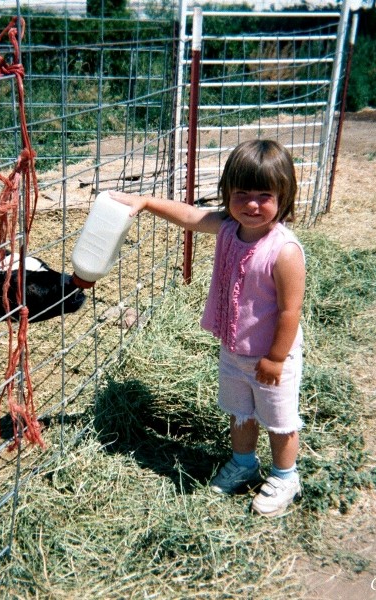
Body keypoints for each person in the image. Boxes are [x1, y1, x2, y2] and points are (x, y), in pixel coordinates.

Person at [109, 139, 306, 517]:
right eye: (241, 193)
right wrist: (146, 203)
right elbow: (187, 215)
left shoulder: (283, 251)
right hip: (234, 350)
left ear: (285, 196)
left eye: (264, 195)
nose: (251, 204)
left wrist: (276, 359)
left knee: (280, 422)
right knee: (240, 413)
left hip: (271, 358)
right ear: (227, 194)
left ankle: (284, 476)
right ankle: (244, 463)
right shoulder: (229, 228)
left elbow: (289, 311)